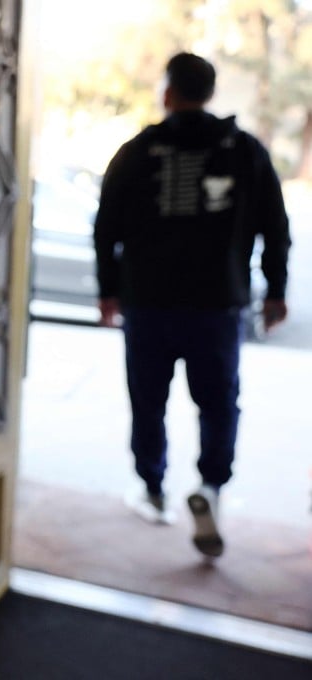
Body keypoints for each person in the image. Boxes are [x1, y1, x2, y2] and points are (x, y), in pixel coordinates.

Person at [93, 52, 291, 558]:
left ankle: (153, 487)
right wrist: (275, 290)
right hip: (217, 306)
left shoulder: (138, 151)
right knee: (218, 402)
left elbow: (106, 227)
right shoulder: (244, 150)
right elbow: (276, 226)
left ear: (168, 92)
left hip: (148, 305)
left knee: (148, 401)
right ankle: (211, 487)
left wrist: (108, 291)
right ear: (209, 92)